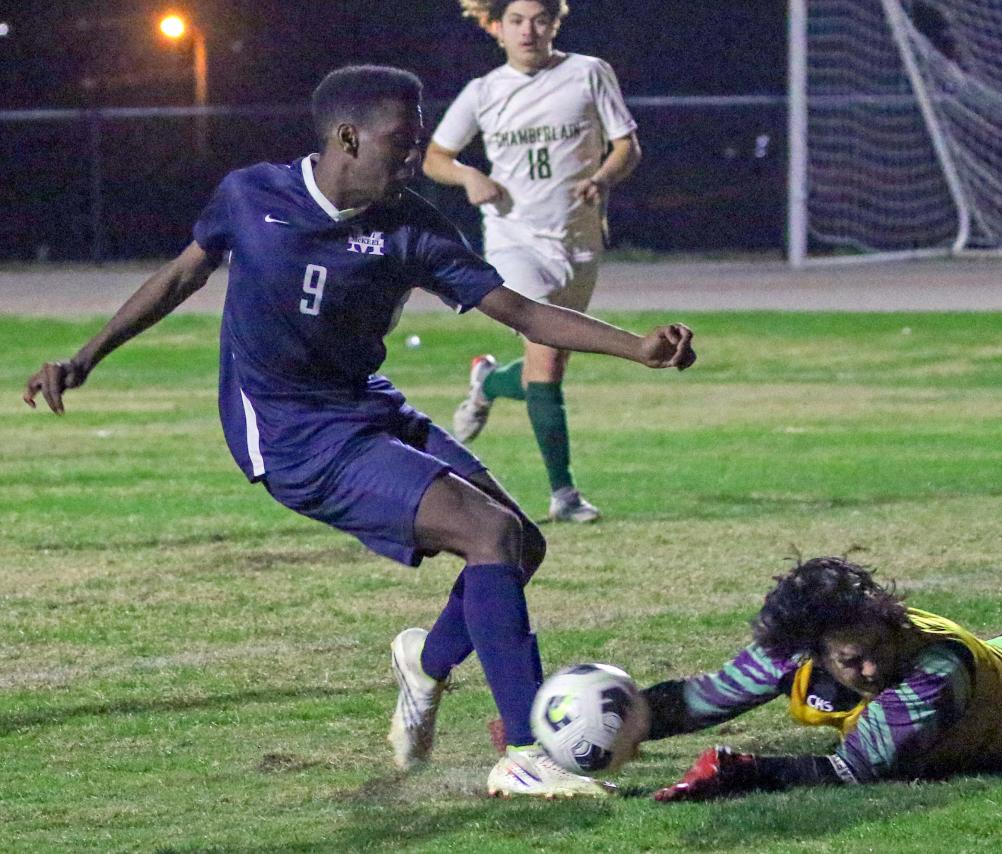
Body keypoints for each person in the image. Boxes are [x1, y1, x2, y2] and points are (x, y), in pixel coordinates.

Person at [21, 64, 694, 799]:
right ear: (346, 137)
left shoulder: (410, 227)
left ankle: (425, 666)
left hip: (362, 402)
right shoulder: (252, 196)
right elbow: (183, 275)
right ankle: (528, 752)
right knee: (489, 535)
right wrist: (84, 356)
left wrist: (636, 346)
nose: (413, 158)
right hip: (289, 434)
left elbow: (523, 314)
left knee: (520, 543)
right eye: (401, 142)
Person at [636, 553, 1002, 800]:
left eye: (876, 651)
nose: (870, 670)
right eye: (852, 662)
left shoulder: (934, 669)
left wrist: (750, 771)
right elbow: (700, 699)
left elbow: (857, 769)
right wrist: (627, 718)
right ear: (813, 650)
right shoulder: (804, 643)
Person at [423, 0, 643, 524]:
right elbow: (436, 158)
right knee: (545, 356)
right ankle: (564, 493)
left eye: (540, 19)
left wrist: (603, 178)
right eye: (517, 21)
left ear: (555, 24)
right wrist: (470, 177)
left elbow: (626, 147)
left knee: (552, 362)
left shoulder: (588, 73)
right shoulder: (483, 91)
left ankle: (489, 381)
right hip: (512, 240)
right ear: (496, 28)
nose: (529, 30)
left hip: (578, 242)